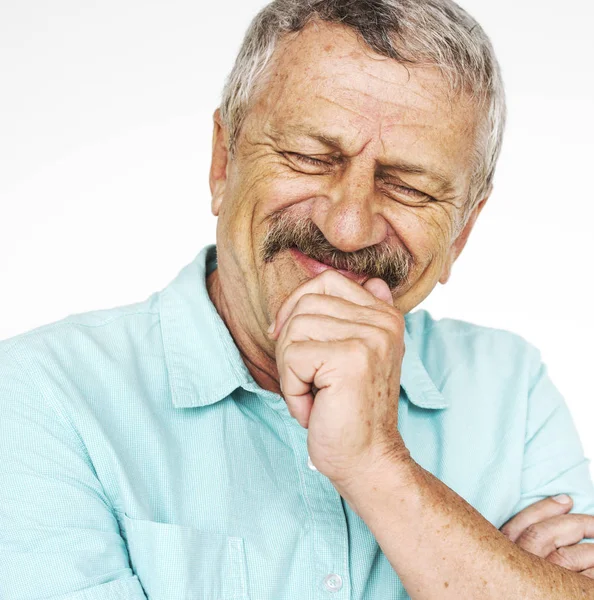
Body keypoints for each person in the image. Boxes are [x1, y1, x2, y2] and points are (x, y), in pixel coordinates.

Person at [1, 0, 594, 598]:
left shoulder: (512, 388)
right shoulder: (37, 396)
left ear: (462, 229)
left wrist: (377, 466)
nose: (348, 227)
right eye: (311, 158)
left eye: (408, 186)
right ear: (223, 161)